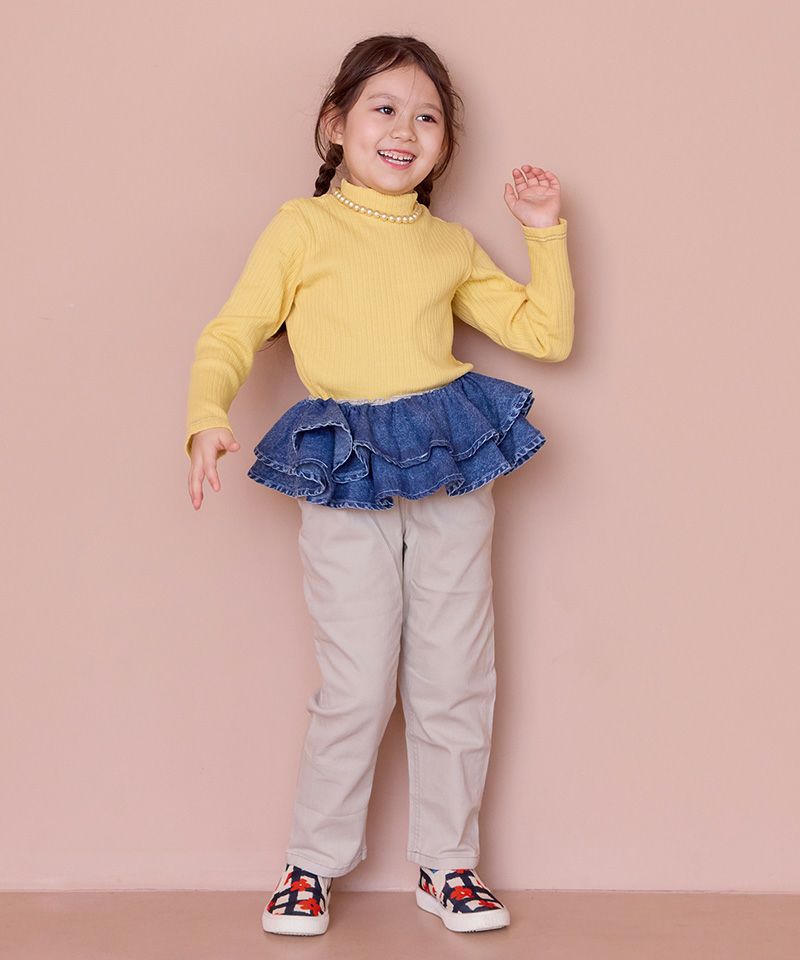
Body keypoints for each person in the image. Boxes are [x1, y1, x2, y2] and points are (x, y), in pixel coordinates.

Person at [184, 34, 574, 937]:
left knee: (456, 674)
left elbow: (545, 336)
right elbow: (233, 329)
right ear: (336, 124)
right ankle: (310, 864)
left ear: (445, 144)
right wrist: (206, 414)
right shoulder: (302, 227)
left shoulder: (449, 244)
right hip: (344, 465)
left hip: (448, 460)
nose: (405, 129)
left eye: (427, 116)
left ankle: (449, 863)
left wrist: (544, 230)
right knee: (357, 681)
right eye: (384, 108)